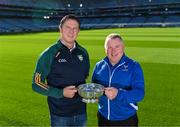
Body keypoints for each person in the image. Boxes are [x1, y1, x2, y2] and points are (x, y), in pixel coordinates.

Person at [32, 14, 90, 127]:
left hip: (81, 112)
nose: (71, 31)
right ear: (60, 29)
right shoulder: (49, 54)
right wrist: (60, 93)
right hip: (59, 115)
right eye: (68, 27)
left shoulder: (83, 52)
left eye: (75, 28)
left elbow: (84, 76)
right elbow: (36, 83)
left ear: (78, 31)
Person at [92, 33, 145, 126]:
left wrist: (118, 94)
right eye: (109, 47)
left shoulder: (134, 66)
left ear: (123, 47)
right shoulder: (99, 66)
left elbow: (139, 94)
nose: (113, 51)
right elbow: (94, 87)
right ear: (105, 49)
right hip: (103, 118)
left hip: (126, 120)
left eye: (117, 46)